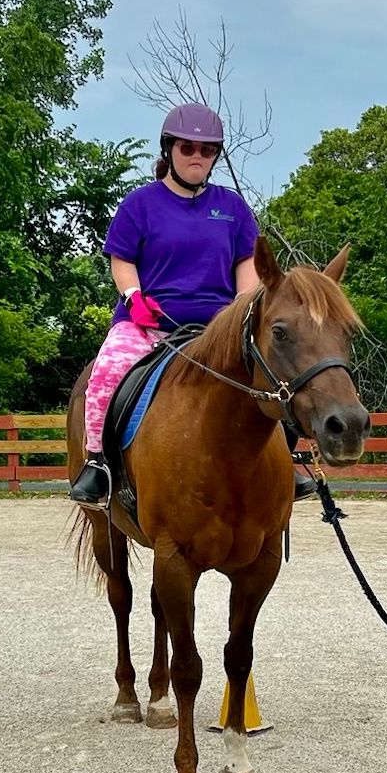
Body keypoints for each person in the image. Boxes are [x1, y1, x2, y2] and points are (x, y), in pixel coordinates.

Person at [69, 101, 315, 507]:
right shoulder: (139, 204)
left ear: (215, 155)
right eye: (188, 148)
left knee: (276, 372)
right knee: (107, 373)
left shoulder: (233, 208)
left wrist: (241, 310)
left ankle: (286, 461)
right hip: (148, 322)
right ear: (169, 150)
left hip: (217, 327)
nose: (197, 156)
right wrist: (134, 298)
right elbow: (122, 260)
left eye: (207, 150)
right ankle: (98, 464)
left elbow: (246, 265)